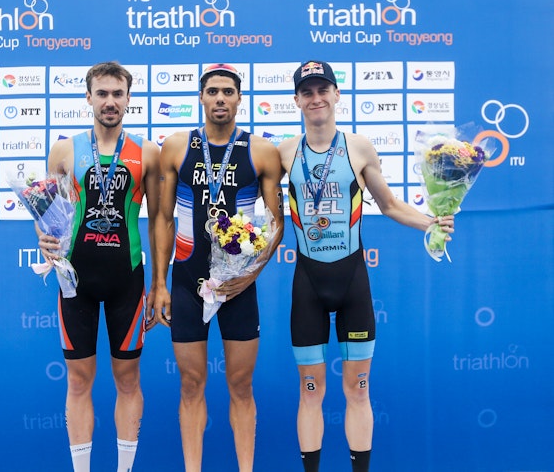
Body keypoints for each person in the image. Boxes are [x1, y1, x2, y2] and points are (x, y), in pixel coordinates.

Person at [276, 60, 455, 472]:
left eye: (323, 90)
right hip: (308, 283)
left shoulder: (358, 147)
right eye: (307, 92)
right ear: (297, 100)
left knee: (358, 390)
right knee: (310, 391)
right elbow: (265, 212)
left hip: (352, 280)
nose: (316, 98)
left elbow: (389, 204)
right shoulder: (284, 152)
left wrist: (431, 222)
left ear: (337, 94)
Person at [153, 63, 284, 472]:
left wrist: (251, 274)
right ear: (201, 97)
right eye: (213, 91)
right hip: (187, 281)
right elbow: (163, 218)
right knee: (191, 384)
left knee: (241, 385)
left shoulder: (261, 151)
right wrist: (160, 284)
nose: (220, 98)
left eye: (228, 91)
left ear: (240, 98)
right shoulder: (177, 146)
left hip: (238, 287)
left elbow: (276, 223)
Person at [37, 61, 161, 472]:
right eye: (102, 93)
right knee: (78, 381)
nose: (110, 101)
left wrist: (160, 284)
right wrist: (43, 238)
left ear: (128, 98)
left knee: (128, 380)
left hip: (127, 280)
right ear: (88, 97)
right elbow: (49, 214)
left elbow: (160, 220)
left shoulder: (147, 153)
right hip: (76, 282)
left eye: (117, 94)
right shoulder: (64, 150)